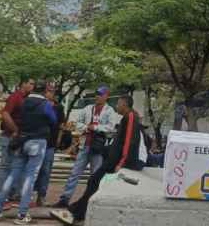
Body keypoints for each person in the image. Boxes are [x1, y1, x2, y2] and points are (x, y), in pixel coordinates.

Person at [50, 95, 145, 226]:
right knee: (93, 182)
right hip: (112, 160)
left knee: (94, 182)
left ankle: (75, 213)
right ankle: (75, 213)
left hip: (116, 163)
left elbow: (129, 141)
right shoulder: (127, 117)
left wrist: (121, 163)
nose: (116, 106)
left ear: (124, 104)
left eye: (118, 104)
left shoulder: (131, 116)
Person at [0, 80, 58, 224]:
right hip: (37, 142)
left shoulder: (24, 102)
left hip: (22, 141)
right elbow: (54, 121)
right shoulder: (45, 105)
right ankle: (22, 215)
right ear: (44, 91)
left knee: (12, 174)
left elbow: (19, 118)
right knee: (30, 177)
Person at [53, 86, 117, 209]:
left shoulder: (110, 111)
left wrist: (96, 127)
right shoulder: (88, 108)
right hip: (85, 145)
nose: (97, 96)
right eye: (97, 94)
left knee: (95, 176)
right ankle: (65, 199)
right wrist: (87, 127)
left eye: (100, 94)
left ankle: (94, 201)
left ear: (106, 96)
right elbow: (77, 123)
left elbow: (111, 128)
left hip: (98, 148)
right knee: (74, 173)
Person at [0, 78, 35, 208]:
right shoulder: (15, 97)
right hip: (10, 136)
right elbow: (5, 114)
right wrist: (15, 130)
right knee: (5, 167)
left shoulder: (25, 98)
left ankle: (11, 195)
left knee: (16, 166)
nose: (33, 86)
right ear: (23, 84)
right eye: (31, 83)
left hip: (18, 137)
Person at [34, 83, 65, 207]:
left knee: (46, 170)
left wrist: (59, 139)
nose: (50, 93)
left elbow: (61, 125)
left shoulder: (58, 107)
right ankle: (27, 193)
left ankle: (41, 196)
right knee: (34, 169)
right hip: (37, 140)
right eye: (48, 91)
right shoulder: (39, 105)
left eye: (52, 91)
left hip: (50, 143)